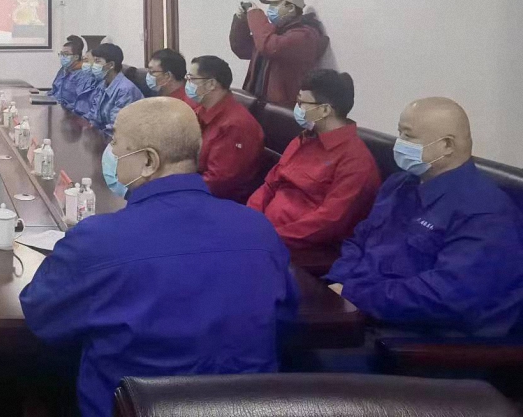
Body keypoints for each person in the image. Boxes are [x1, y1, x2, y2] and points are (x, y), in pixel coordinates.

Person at [20, 98, 298, 417]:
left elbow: (42, 316)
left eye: (116, 143)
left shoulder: (98, 240)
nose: (111, 153)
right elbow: (284, 321)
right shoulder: (258, 230)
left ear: (149, 161)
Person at [327, 98, 523, 336]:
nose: (399, 143)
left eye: (408, 136)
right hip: (357, 309)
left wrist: (355, 294)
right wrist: (336, 284)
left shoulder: (485, 213)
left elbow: (447, 296)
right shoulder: (399, 185)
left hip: (415, 339)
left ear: (447, 145)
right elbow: (360, 240)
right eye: (399, 133)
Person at [248, 69, 381, 272]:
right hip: (266, 231)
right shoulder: (305, 138)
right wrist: (250, 218)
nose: (297, 108)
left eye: (302, 103)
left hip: (304, 249)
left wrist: (270, 236)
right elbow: (270, 184)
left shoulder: (356, 161)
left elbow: (328, 223)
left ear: (325, 110)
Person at [229, 0, 329, 107]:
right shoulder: (274, 32)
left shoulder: (304, 36)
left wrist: (255, 14)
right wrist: (241, 19)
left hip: (283, 107)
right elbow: (241, 48)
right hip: (258, 102)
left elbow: (269, 46)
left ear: (290, 8)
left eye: (275, 4)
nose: (270, 9)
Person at [185, 55, 265, 202]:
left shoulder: (236, 125)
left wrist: (180, 187)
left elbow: (218, 182)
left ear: (211, 84)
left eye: (192, 79)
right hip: (196, 184)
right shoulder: (202, 110)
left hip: (218, 199)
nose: (188, 84)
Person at [72, 43, 142, 136]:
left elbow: (117, 126)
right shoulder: (103, 84)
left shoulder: (125, 90)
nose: (93, 65)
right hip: (103, 135)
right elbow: (94, 115)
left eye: (97, 61)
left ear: (111, 65)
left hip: (122, 138)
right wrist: (85, 125)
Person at [50, 35, 90, 107]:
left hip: (70, 111)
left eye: (66, 54)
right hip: (56, 106)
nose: (62, 57)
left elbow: (81, 103)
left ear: (76, 57)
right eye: (61, 54)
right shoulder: (63, 70)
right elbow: (54, 90)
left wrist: (64, 106)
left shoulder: (83, 75)